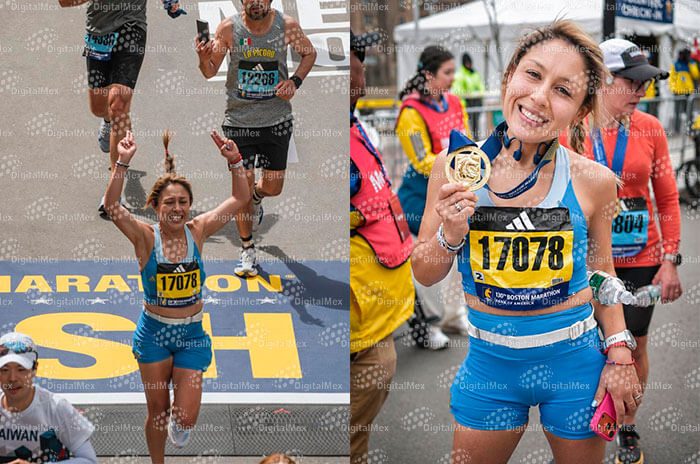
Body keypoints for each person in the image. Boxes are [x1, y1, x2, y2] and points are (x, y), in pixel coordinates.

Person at [411, 21, 642, 463]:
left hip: (575, 366)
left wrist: (619, 353)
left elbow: (602, 274)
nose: (539, 97)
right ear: (509, 75)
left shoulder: (595, 181)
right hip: (490, 367)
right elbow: (424, 271)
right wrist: (450, 234)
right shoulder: (454, 167)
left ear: (579, 111)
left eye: (563, 90)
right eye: (533, 74)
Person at [561, 38, 682, 464]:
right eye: (631, 82)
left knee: (633, 348)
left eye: (645, 83)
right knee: (587, 351)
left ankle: (626, 426)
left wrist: (670, 260)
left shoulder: (650, 128)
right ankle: (580, 433)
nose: (641, 91)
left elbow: (667, 198)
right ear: (601, 80)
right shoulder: (570, 127)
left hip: (639, 259)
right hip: (585, 264)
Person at [103, 129, 249, 463]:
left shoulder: (198, 230)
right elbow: (112, 206)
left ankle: (179, 425)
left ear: (190, 207)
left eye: (183, 202)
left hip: (191, 336)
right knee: (157, 411)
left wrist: (235, 161)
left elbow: (240, 198)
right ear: (155, 206)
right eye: (169, 202)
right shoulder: (144, 237)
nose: (177, 208)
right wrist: (122, 162)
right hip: (154, 334)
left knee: (184, 420)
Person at [195, 0, 317, 277]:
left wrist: (294, 81)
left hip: (277, 121)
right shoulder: (228, 29)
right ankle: (247, 247)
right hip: (239, 123)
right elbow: (209, 71)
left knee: (273, 187)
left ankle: (258, 197)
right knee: (243, 187)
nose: (256, 2)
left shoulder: (286, 26)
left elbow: (309, 53)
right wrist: (203, 57)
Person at [350, 31, 414, 463]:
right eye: (356, 62)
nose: (362, 75)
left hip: (376, 324)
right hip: (357, 331)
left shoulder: (355, 125)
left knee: (355, 438)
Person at [58, 0, 186, 218]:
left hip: (132, 27)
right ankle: (108, 121)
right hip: (99, 30)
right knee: (99, 107)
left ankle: (113, 191)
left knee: (119, 104)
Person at [396, 45, 472, 350]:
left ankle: (453, 315)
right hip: (420, 196)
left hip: (455, 190)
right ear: (429, 75)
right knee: (428, 256)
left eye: (454, 71)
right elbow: (421, 160)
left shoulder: (454, 101)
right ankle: (429, 323)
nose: (453, 78)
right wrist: (454, 167)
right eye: (447, 72)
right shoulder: (410, 112)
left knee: (456, 254)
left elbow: (467, 141)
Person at [0, 332, 97, 463]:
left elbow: (89, 460)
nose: (12, 378)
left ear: (34, 369)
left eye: (21, 369)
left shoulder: (57, 408)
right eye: (4, 370)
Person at [452, 52, 486, 137]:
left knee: (476, 123)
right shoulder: (460, 75)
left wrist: (479, 93)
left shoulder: (474, 73)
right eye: (466, 63)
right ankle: (469, 138)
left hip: (476, 102)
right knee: (467, 123)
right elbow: (457, 90)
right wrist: (468, 94)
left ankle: (476, 137)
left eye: (469, 62)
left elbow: (481, 86)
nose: (468, 64)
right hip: (467, 104)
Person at [669, 48, 700, 133]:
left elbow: (696, 75)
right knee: (677, 112)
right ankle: (677, 130)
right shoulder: (675, 64)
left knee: (689, 111)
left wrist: (691, 62)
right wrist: (673, 88)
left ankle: (690, 129)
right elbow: (671, 78)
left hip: (688, 91)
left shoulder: (690, 64)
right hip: (678, 92)